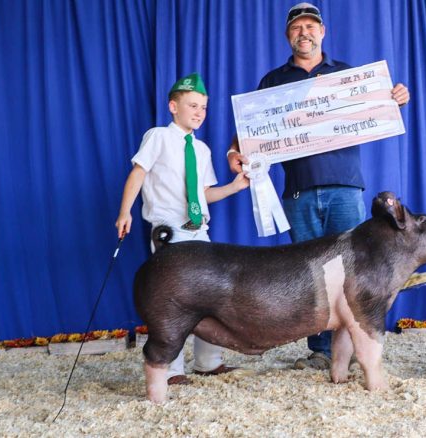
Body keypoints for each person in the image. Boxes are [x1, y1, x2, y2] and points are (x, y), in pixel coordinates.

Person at [227, 2, 410, 370]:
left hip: (345, 189)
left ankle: (358, 347)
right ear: (287, 35)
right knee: (311, 276)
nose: (304, 33)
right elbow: (251, 129)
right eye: (297, 28)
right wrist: (235, 150)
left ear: (323, 32)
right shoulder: (273, 81)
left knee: (355, 271)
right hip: (299, 193)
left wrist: (394, 99)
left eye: (311, 26)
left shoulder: (348, 75)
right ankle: (320, 351)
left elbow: (376, 110)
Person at [116, 73, 249, 385]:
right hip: (169, 232)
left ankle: (208, 361)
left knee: (211, 296)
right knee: (173, 300)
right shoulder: (158, 137)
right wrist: (125, 212)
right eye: (193, 105)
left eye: (203, 107)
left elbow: (204, 193)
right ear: (172, 106)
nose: (199, 112)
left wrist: (234, 187)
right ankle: (172, 369)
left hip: (198, 231)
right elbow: (138, 174)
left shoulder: (201, 150)